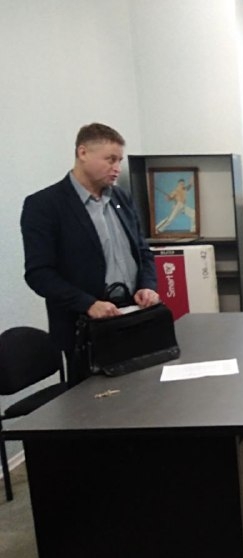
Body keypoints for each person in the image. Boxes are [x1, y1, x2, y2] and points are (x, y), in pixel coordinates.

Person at [20, 123, 159, 375]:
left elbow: (142, 250)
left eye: (119, 160)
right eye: (110, 159)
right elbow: (39, 273)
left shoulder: (121, 198)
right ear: (83, 153)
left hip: (131, 316)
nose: (117, 168)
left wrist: (148, 285)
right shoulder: (45, 205)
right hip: (85, 330)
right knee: (95, 398)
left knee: (144, 392)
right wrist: (87, 304)